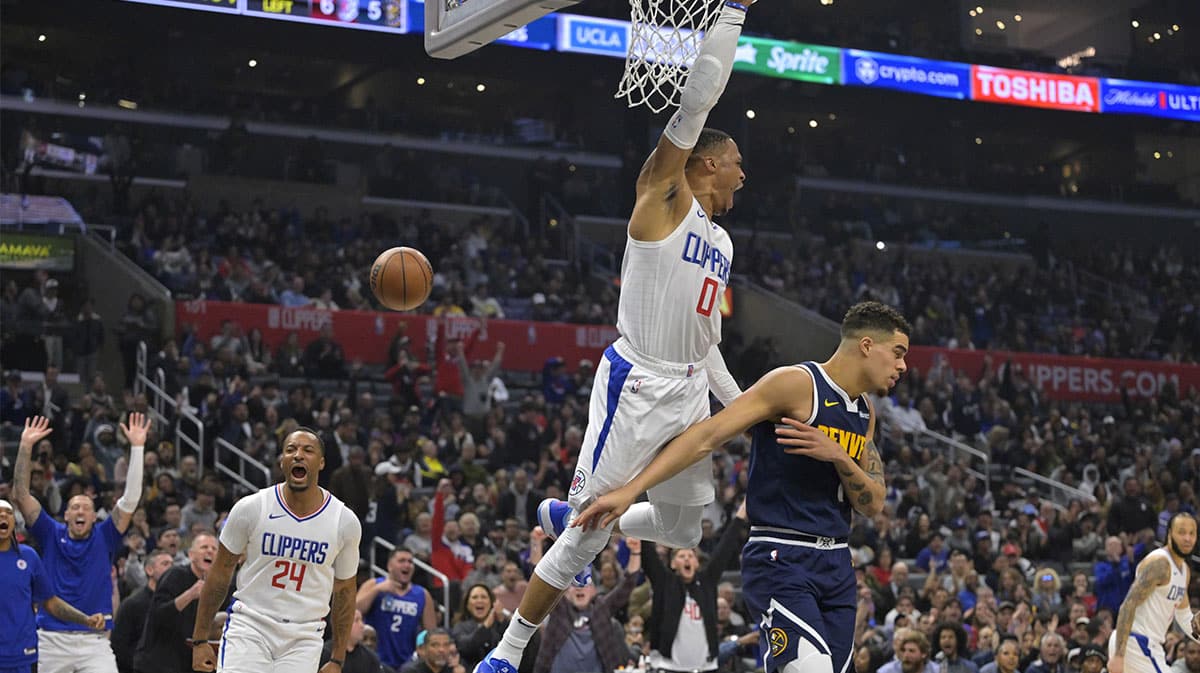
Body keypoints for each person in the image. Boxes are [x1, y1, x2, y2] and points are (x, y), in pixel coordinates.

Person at [474, 1, 751, 670]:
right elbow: (695, 105)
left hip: (687, 386)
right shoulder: (663, 197)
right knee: (586, 539)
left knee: (685, 526)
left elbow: (706, 341)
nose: (745, 172)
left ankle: (574, 511)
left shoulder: (723, 241)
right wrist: (732, 17)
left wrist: (742, 407)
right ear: (707, 166)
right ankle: (508, 653)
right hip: (638, 380)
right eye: (736, 160)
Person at [576, 301, 910, 673]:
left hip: (837, 564)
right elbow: (707, 436)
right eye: (897, 353)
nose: (903, 366)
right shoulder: (796, 384)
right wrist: (630, 490)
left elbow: (873, 502)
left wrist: (839, 457)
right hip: (782, 556)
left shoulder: (865, 412)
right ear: (866, 345)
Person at [190, 427, 363, 673]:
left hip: (304, 636)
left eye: (308, 450)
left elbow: (345, 591)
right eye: (290, 450)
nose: (298, 455)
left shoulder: (344, 521)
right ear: (282, 461)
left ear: (321, 462)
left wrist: (337, 658)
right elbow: (219, 572)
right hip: (251, 625)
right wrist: (200, 639)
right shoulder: (251, 508)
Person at [11, 414, 151, 673]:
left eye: (87, 508)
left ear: (93, 515)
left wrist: (137, 447)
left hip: (94, 641)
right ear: (66, 514)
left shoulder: (106, 534)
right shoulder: (50, 532)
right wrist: (25, 446)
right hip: (51, 638)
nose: (80, 511)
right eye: (75, 507)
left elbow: (130, 498)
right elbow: (20, 494)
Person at [1, 498, 107, 673]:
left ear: (14, 522)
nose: (3, 516)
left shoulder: (29, 557)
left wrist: (85, 619)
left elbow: (50, 601)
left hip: (23, 655)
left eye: (9, 513)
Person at [1109, 512, 1200, 673]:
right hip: (1134, 642)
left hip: (1150, 646)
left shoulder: (1184, 571)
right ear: (1170, 534)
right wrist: (1118, 655)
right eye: (1181, 532)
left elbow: (1184, 616)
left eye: (1191, 533)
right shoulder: (1160, 563)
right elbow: (1128, 605)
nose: (1187, 538)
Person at [133, 533, 224, 673]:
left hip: (185, 661)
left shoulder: (216, 586)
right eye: (204, 547)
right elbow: (157, 614)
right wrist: (190, 594)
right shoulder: (175, 574)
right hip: (156, 662)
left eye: (214, 548)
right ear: (191, 555)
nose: (210, 551)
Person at [357, 547, 439, 671]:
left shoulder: (422, 594)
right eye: (401, 561)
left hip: (407, 663)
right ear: (390, 565)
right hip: (374, 659)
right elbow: (355, 610)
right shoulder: (373, 584)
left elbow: (432, 633)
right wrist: (377, 590)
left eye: (410, 562)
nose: (407, 565)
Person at [111, 549, 174, 673]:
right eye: (165, 564)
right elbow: (119, 646)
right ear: (149, 570)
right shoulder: (132, 604)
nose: (171, 569)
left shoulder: (178, 601)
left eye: (172, 565)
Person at [318, 610, 388, 673]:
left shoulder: (370, 657)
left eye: (362, 620)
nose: (362, 625)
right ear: (342, 624)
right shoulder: (325, 653)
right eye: (356, 620)